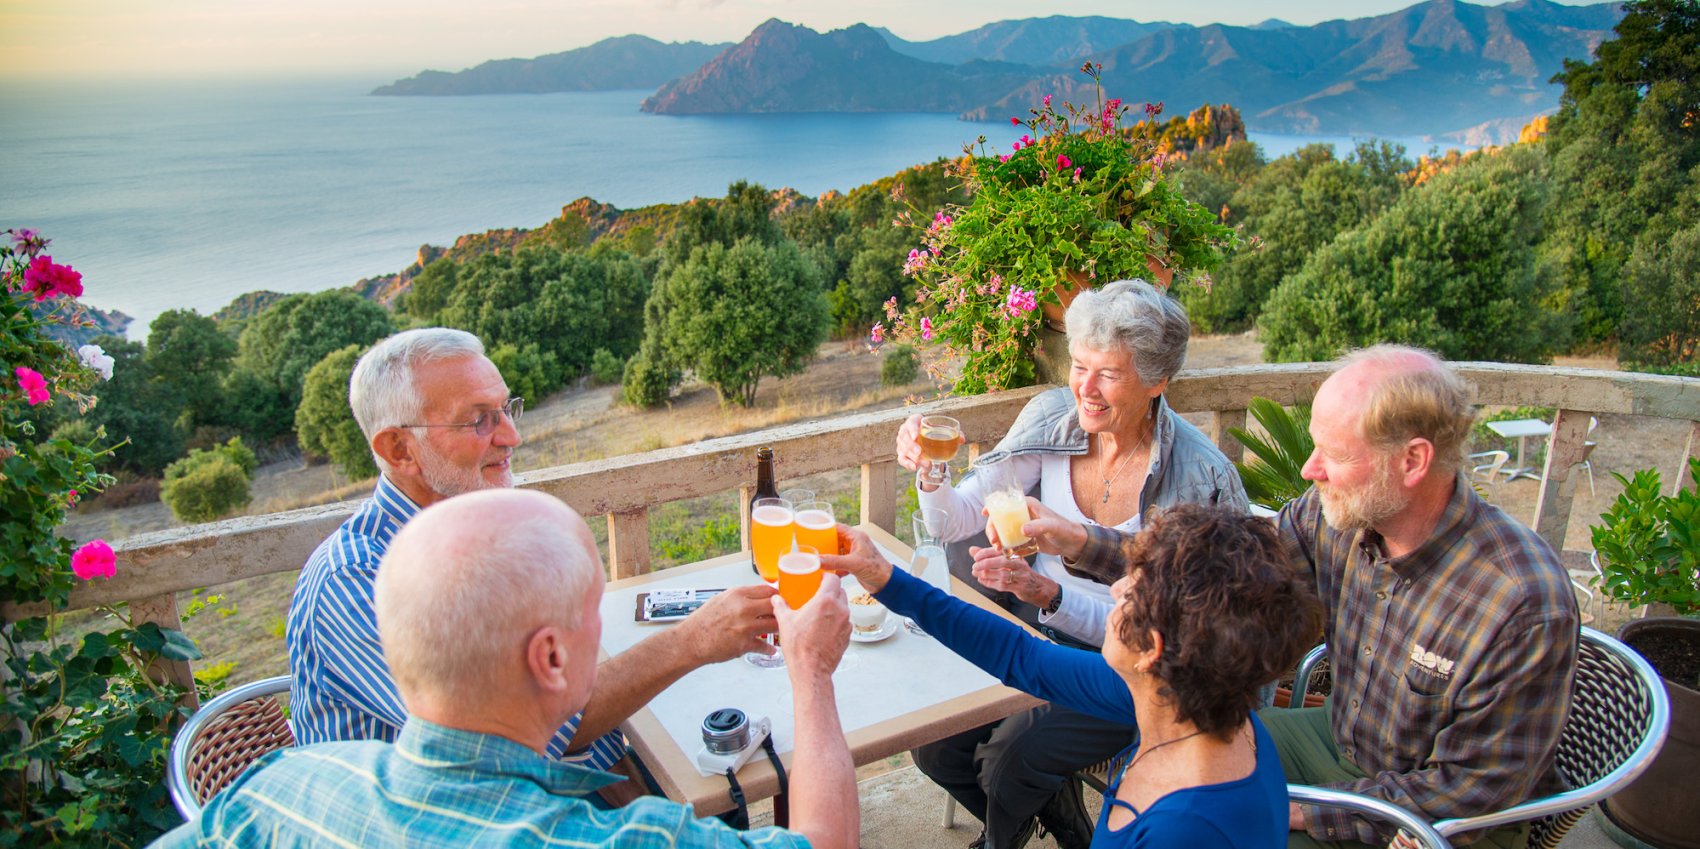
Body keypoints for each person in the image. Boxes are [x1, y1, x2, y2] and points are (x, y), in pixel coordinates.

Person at [1032, 344, 1580, 849]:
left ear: (1411, 461)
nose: (1308, 469)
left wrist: (1300, 812)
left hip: (1438, 820)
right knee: (1171, 761)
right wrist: (1079, 540)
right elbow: (1212, 578)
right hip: (1340, 739)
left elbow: (1470, 790)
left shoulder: (1521, 603)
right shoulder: (1341, 513)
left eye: (1333, 454)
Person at [155, 489, 858, 848]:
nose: (602, 633)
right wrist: (812, 670)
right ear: (551, 657)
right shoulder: (622, 837)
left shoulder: (279, 788)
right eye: (593, 612)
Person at [286, 328, 776, 789]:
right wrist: (692, 640)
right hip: (459, 825)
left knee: (718, 784)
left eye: (506, 409)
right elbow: (524, 733)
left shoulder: (481, 530)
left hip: (553, 788)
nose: (511, 437)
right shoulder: (355, 580)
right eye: (479, 419)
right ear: (399, 449)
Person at [892, 279, 1248, 849]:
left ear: (1157, 381)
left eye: (1108, 373)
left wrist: (1049, 595)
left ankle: (1001, 837)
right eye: (1080, 365)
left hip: (1140, 671)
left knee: (1009, 759)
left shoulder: (1197, 479)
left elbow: (1180, 636)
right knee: (935, 746)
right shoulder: (1055, 420)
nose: (1086, 387)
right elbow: (951, 520)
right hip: (1040, 631)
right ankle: (1062, 819)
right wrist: (931, 468)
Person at [823, 505, 1321, 848]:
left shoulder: (1187, 830)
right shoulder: (1189, 701)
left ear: (1152, 649)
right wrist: (882, 576)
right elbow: (1022, 656)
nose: (1118, 585)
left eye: (1133, 588)